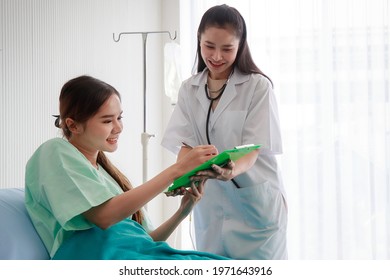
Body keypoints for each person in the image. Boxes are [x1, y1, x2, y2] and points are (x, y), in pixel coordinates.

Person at [24, 75, 229, 260]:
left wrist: (183, 211)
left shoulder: (108, 176)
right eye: (107, 120)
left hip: (128, 256)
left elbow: (145, 242)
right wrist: (177, 170)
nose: (119, 128)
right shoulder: (54, 151)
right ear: (73, 125)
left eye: (119, 117)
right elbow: (103, 218)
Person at [161, 4, 287, 260]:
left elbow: (253, 150)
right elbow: (186, 145)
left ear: (240, 46)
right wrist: (181, 179)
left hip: (255, 207)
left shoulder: (257, 87)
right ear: (199, 41)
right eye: (209, 46)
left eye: (227, 48)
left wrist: (231, 171)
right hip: (211, 208)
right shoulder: (189, 89)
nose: (217, 56)